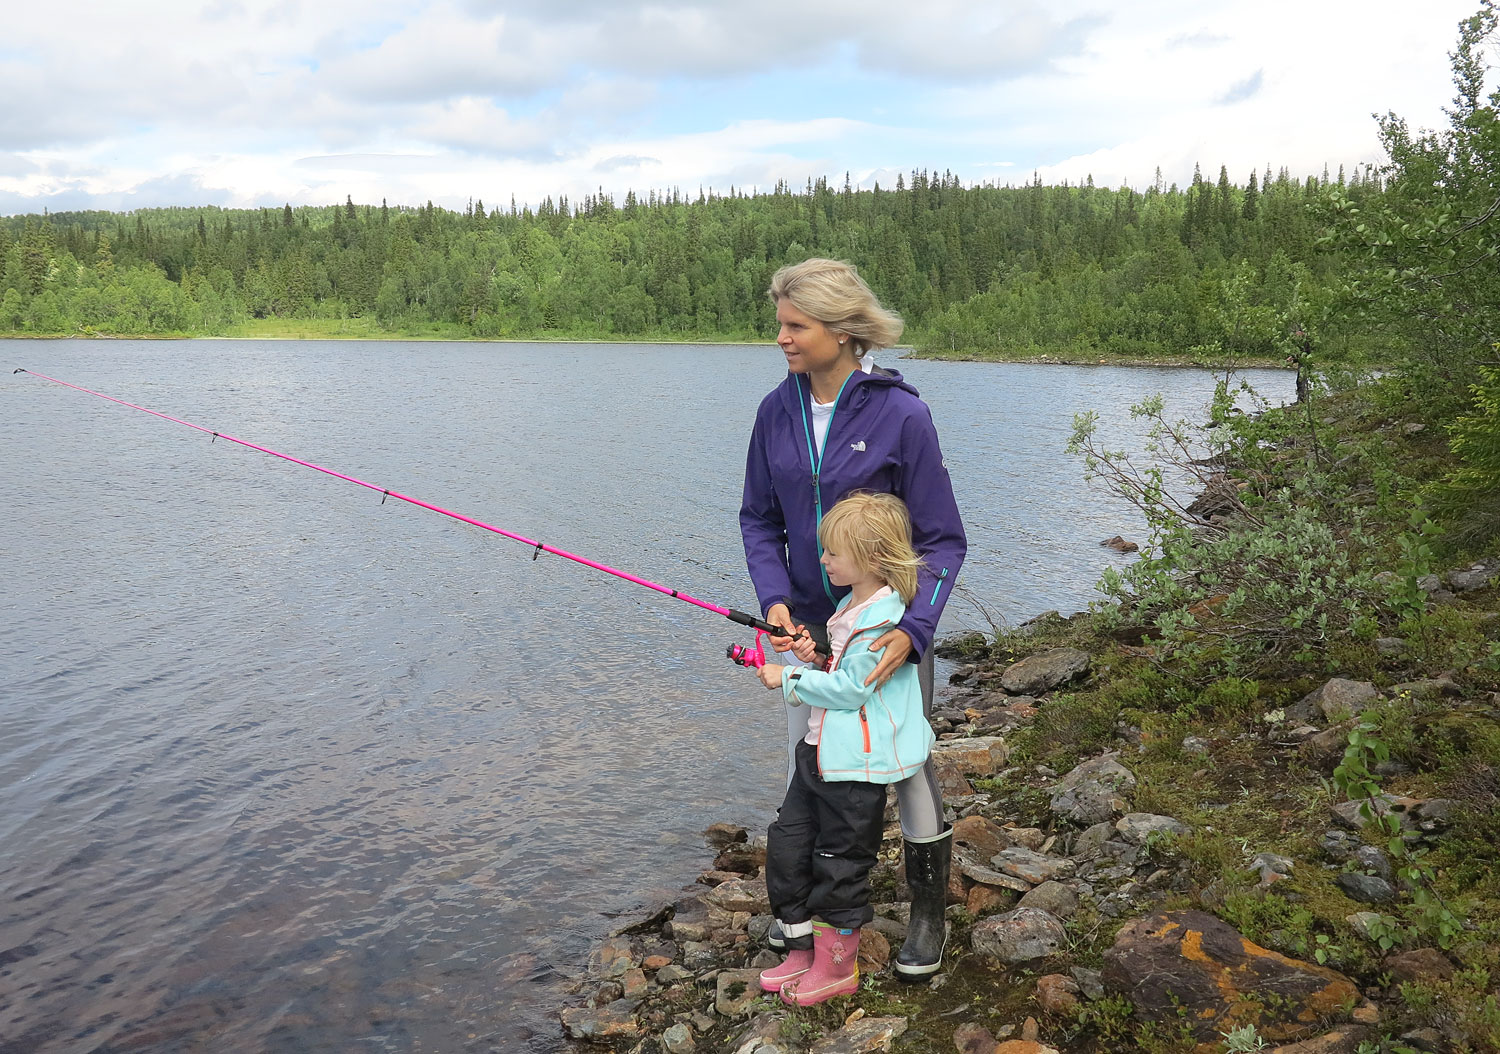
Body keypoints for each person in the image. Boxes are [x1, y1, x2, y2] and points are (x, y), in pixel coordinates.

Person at [740, 258, 967, 979]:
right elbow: (757, 519)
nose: (781, 337)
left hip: (886, 633)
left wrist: (915, 631)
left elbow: (941, 540)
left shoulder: (902, 414)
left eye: (795, 325)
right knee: (810, 765)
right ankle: (812, 921)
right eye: (780, 322)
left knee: (904, 767)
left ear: (841, 332)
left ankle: (928, 918)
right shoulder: (774, 413)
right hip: (804, 631)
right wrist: (775, 602)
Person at [748, 492, 935, 1005]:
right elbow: (843, 671)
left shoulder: (882, 621)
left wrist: (787, 678)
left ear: (873, 560)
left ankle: (837, 968)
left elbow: (855, 691)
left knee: (839, 863)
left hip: (855, 769)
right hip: (818, 754)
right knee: (789, 847)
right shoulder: (849, 606)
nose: (822, 560)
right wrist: (818, 654)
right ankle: (801, 951)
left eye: (832, 553)